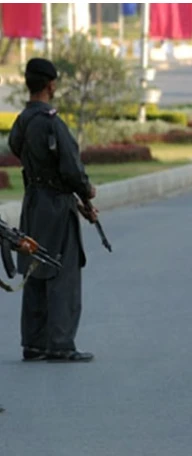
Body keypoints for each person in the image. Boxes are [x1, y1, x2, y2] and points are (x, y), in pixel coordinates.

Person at [8, 57, 97, 363]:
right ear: (51, 84)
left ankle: (33, 343)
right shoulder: (52, 122)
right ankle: (60, 343)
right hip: (58, 206)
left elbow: (16, 148)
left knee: (35, 269)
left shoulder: (22, 120)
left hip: (32, 203)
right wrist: (86, 192)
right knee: (62, 272)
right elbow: (71, 168)